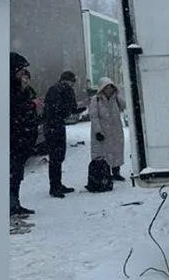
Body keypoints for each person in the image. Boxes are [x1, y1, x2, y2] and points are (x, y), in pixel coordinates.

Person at [42, 70, 85, 198]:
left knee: (55, 157)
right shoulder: (65, 89)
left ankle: (56, 184)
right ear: (69, 81)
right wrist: (78, 110)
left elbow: (52, 107)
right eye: (72, 83)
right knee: (57, 157)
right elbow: (69, 109)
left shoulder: (53, 89)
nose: (72, 86)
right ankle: (55, 187)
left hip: (50, 125)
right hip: (56, 126)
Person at [10, 52, 39, 217]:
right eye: (21, 72)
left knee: (16, 174)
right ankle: (11, 205)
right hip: (14, 139)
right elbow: (15, 110)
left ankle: (15, 204)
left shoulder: (22, 90)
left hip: (22, 139)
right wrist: (30, 105)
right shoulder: (11, 90)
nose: (24, 76)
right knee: (12, 174)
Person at [88, 77, 126, 182]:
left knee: (116, 151)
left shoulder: (116, 99)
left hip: (115, 130)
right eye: (107, 88)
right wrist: (98, 131)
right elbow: (94, 116)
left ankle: (116, 172)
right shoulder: (96, 100)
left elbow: (124, 105)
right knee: (104, 153)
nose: (109, 90)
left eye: (111, 87)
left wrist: (118, 95)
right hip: (103, 131)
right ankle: (105, 172)